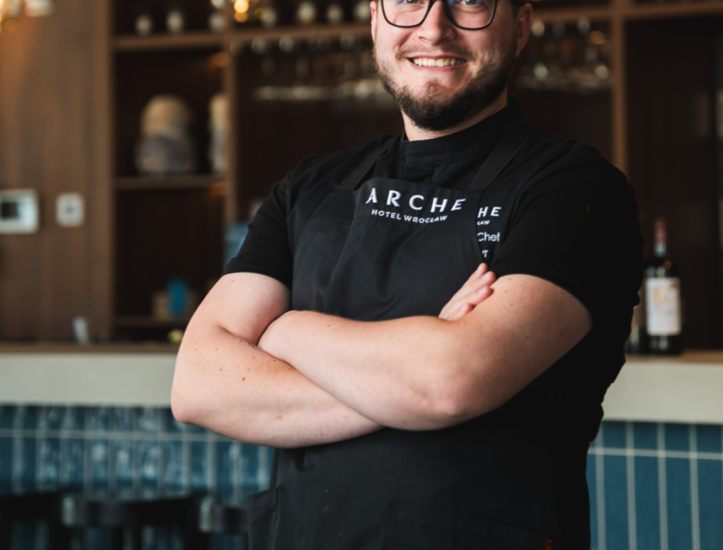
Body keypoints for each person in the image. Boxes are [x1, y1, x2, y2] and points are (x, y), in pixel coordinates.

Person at [170, 0, 643, 545]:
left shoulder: (575, 189)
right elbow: (198, 387)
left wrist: (284, 330)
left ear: (520, 27)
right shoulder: (309, 189)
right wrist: (408, 377)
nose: (433, 27)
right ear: (375, 22)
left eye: (469, 2)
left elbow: (449, 382)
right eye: (408, 2)